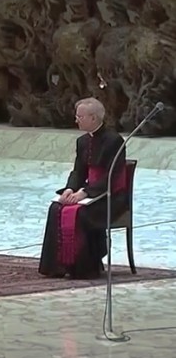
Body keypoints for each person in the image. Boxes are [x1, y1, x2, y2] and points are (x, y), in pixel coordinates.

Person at [38, 97, 127, 279]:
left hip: (110, 196)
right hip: (89, 192)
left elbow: (111, 176)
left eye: (80, 116)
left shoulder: (114, 140)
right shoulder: (82, 141)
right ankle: (58, 266)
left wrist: (85, 193)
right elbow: (78, 171)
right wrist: (70, 189)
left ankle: (85, 267)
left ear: (93, 118)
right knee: (56, 208)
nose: (76, 120)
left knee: (81, 213)